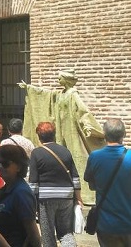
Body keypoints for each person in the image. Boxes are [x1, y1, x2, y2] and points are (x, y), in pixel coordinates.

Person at [19, 69, 105, 203]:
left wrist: (87, 125)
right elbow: (47, 94)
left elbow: (82, 110)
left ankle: (84, 194)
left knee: (75, 157)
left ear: (66, 79)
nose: (58, 80)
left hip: (71, 129)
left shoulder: (73, 93)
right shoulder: (61, 93)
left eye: (60, 78)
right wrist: (29, 88)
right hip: (60, 129)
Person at [84, 118, 131, 247]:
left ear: (104, 136)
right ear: (124, 135)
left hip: (107, 224)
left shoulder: (95, 157)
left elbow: (91, 185)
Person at [28, 122, 82, 247]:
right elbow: (75, 177)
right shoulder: (65, 151)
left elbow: (33, 182)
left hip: (46, 199)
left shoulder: (36, 153)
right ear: (54, 135)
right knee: (66, 232)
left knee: (48, 234)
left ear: (39, 136)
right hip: (66, 197)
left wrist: (32, 201)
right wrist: (78, 198)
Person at [0, 145, 41, 247]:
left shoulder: (21, 193)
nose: (0, 167)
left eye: (5, 163)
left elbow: (33, 233)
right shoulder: (5, 190)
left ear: (19, 167)